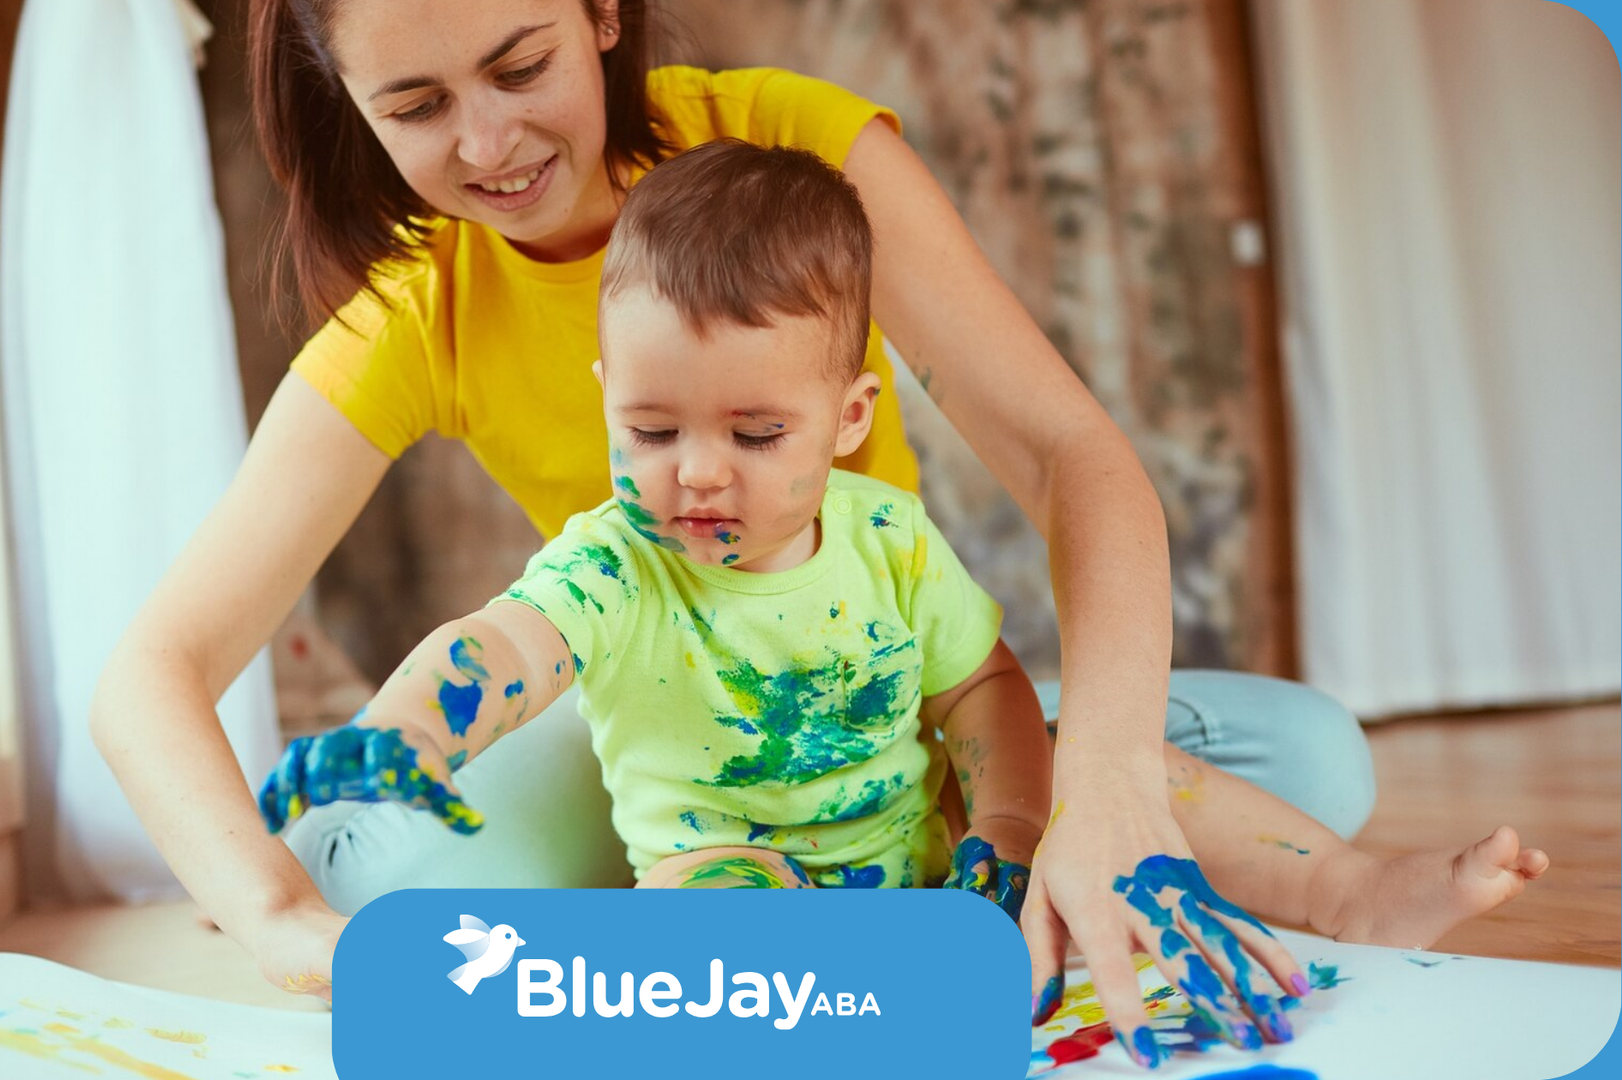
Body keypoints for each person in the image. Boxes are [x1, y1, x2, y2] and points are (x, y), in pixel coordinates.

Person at [90, 0, 1379, 1044]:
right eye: (417, 108)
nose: (486, 146)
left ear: (600, 12)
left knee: (1318, 763)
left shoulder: (798, 162)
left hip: (871, 697)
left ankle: (907, 837)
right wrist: (262, 905)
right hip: (665, 744)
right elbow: (151, 674)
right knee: (391, 890)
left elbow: (1071, 459)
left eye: (517, 65)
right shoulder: (417, 306)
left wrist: (1093, 800)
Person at [255, 142, 1548, 1070]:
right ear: (607, 398)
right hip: (729, 868)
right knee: (708, 929)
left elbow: (980, 691)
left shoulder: (887, 541)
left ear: (848, 419)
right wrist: (419, 730)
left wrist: (1006, 821)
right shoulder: (617, 563)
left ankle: (1359, 896)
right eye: (649, 428)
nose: (695, 470)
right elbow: (503, 647)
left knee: (1142, 781)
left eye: (755, 431)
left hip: (925, 850)